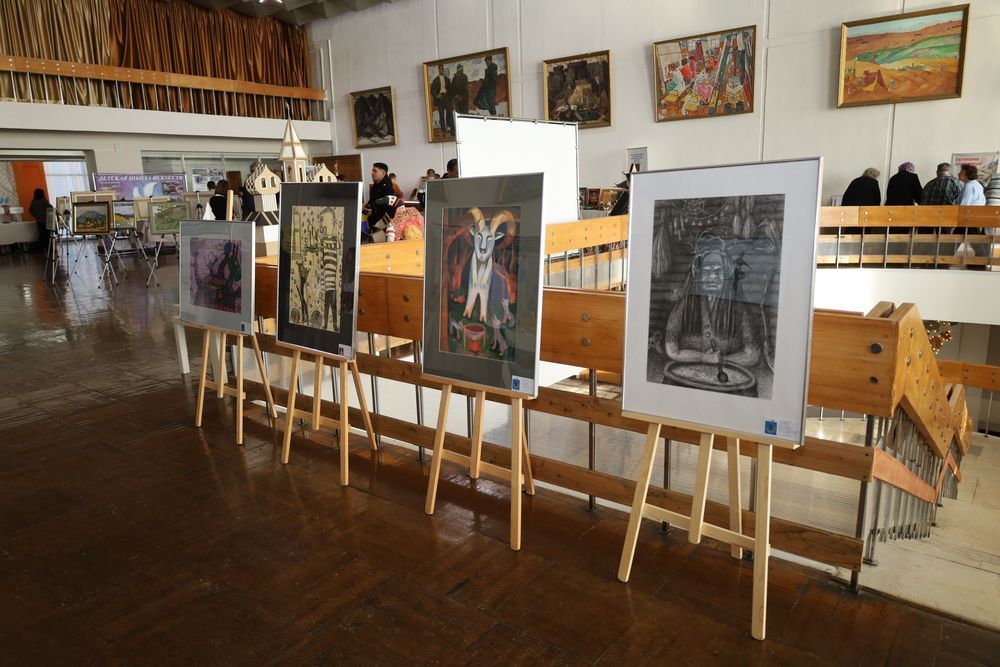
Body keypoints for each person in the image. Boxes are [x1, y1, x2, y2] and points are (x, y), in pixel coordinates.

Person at [364, 162, 395, 241]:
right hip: (373, 221)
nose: (372, 173)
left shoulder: (387, 188)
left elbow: (389, 209)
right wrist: (365, 205)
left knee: (379, 244)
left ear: (383, 173)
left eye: (375, 171)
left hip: (383, 224)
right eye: (372, 170)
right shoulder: (375, 186)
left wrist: (372, 211)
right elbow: (372, 200)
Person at [430, 64, 453, 136]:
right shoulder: (435, 80)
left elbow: (450, 89)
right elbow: (432, 90)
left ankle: (450, 128)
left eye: (442, 69)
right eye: (440, 69)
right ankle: (443, 131)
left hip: (446, 97)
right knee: (441, 115)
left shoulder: (447, 79)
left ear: (443, 69)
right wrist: (436, 95)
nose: (441, 70)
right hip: (440, 99)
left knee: (449, 113)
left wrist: (450, 98)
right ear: (438, 69)